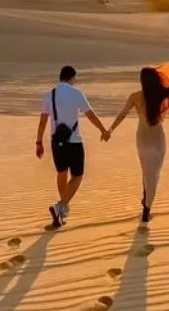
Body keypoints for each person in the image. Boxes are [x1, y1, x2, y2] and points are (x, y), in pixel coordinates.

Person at [104, 60, 169, 223]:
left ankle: (146, 200)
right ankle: (147, 208)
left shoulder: (135, 97)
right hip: (157, 138)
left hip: (142, 138)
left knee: (147, 171)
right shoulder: (159, 94)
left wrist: (110, 130)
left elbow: (122, 114)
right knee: (153, 173)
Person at [35, 65, 112, 229]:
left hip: (56, 142)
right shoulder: (76, 93)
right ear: (72, 77)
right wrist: (103, 130)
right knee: (77, 176)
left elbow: (42, 121)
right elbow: (90, 115)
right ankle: (60, 206)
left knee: (61, 173)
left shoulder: (50, 95)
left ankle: (61, 212)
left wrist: (39, 142)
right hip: (74, 141)